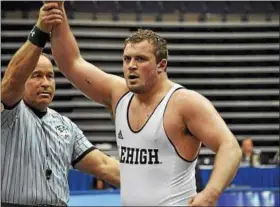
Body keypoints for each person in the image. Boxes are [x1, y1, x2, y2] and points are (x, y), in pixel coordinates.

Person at [48, 2, 242, 206]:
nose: (131, 66)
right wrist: (57, 8)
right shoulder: (118, 93)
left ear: (161, 65)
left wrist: (210, 194)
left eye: (140, 59)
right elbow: (70, 63)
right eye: (127, 59)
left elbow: (229, 147)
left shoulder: (183, 102)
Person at [1, 3, 120, 207]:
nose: (45, 83)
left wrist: (158, 188)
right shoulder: (9, 114)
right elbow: (12, 82)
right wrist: (41, 30)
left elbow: (104, 166)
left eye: (50, 76)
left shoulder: (64, 125)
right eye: (36, 76)